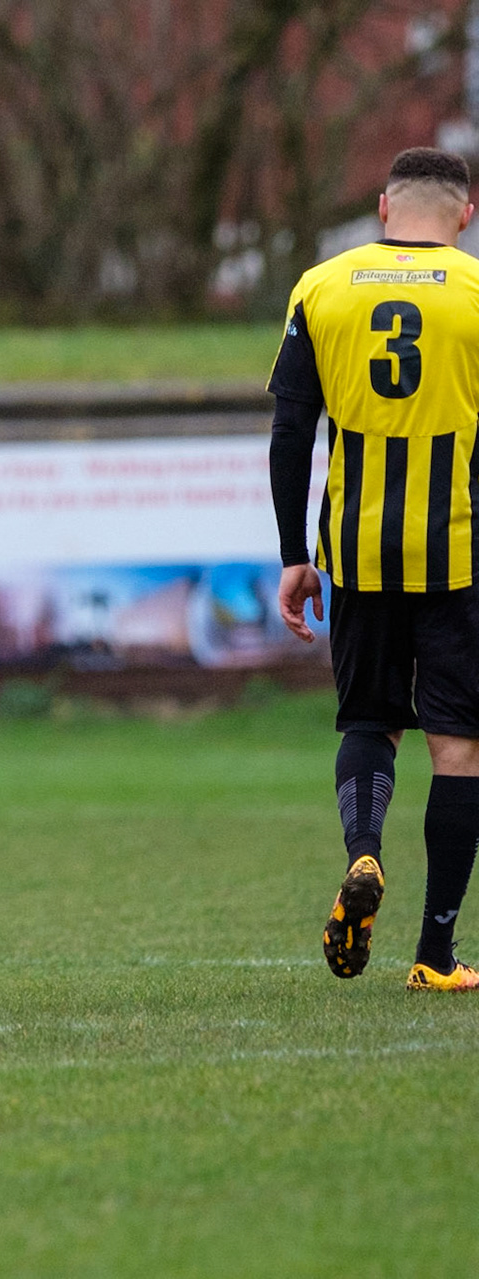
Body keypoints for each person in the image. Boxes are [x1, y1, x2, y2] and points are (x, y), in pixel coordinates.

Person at [271, 146, 479, 992]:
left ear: (384, 209)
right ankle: (434, 953)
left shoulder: (323, 287)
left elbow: (291, 432)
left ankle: (365, 854)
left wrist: (295, 554)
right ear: (465, 216)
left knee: (370, 721)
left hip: (354, 552)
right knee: (458, 745)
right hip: (458, 550)